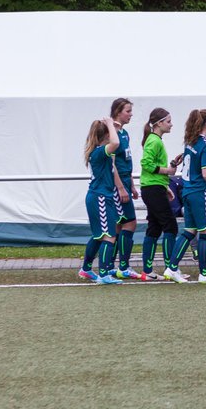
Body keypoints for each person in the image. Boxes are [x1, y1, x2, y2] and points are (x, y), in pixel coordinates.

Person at [167, 109, 206, 284]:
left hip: (187, 192)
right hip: (200, 193)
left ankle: (172, 267)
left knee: (190, 231)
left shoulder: (189, 142)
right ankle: (204, 272)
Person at [137, 108, 182, 281]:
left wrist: (166, 184)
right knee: (171, 226)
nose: (171, 124)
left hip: (154, 187)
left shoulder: (155, 140)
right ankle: (171, 269)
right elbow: (146, 164)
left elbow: (154, 166)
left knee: (154, 228)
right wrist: (168, 171)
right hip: (152, 189)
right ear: (159, 123)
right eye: (168, 121)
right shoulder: (154, 141)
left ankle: (147, 271)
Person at [78, 115, 124, 284]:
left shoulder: (100, 152)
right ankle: (104, 274)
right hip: (100, 198)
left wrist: (114, 127)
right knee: (109, 236)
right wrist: (111, 125)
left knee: (99, 236)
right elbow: (116, 143)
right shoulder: (99, 152)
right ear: (105, 136)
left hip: (99, 197)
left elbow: (115, 142)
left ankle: (86, 269)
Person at [108, 98, 139, 278]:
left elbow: (125, 161)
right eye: (128, 111)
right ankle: (122, 266)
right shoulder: (111, 133)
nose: (131, 114)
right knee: (129, 222)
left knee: (120, 225)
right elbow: (112, 164)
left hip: (126, 182)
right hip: (116, 185)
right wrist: (120, 187)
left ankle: (114, 266)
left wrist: (132, 185)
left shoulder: (125, 133)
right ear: (118, 111)